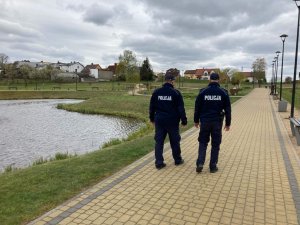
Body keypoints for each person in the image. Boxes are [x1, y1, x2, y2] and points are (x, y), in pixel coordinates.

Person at [149, 71, 187, 169]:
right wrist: (184, 120)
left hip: (160, 120)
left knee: (159, 141)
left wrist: (152, 118)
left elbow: (152, 107)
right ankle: (177, 160)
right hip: (172, 121)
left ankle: (159, 162)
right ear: (172, 81)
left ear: (165, 81)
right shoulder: (176, 93)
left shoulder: (156, 92)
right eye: (174, 81)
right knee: (175, 141)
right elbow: (181, 108)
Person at [194, 73, 231, 173]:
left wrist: (196, 121)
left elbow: (197, 108)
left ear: (210, 80)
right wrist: (228, 124)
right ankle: (213, 166)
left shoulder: (202, 92)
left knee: (203, 142)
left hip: (205, 121)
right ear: (218, 80)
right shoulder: (223, 92)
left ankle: (200, 163)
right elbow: (228, 109)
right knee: (215, 144)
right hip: (217, 122)